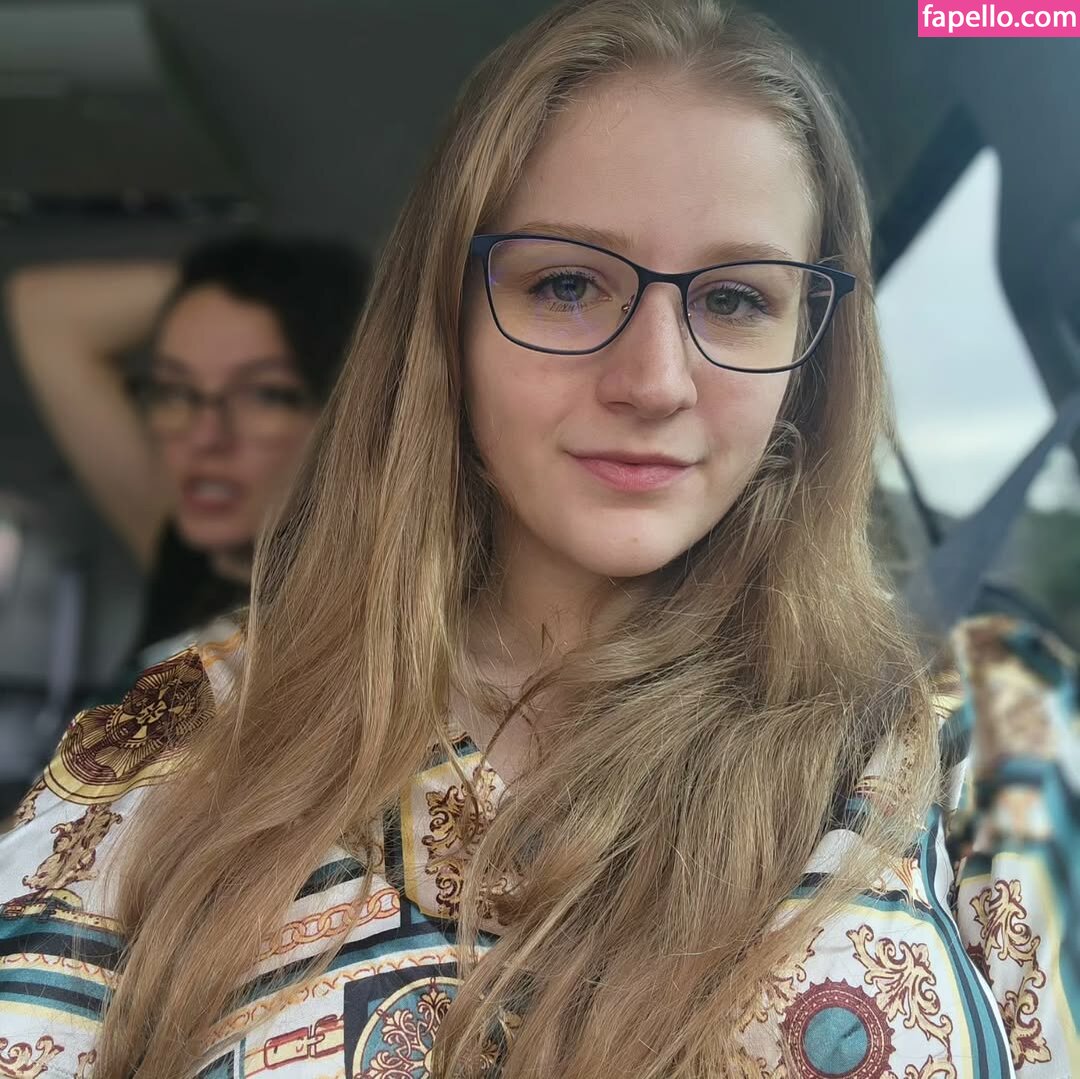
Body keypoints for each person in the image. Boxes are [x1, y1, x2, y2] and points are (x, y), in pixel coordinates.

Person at [0, 2, 1074, 1077]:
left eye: (737, 298)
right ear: (445, 320)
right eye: (567, 284)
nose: (655, 380)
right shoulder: (185, 753)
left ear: (812, 353)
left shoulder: (968, 749)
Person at [4, 233, 365, 665]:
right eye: (175, 390)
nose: (205, 436)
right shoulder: (187, 562)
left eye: (266, 395)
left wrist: (331, 299)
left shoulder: (368, 629)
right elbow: (43, 311)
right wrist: (234, 281)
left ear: (347, 418)